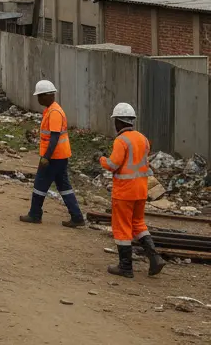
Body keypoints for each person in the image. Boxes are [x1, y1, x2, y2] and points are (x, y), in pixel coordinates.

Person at [100, 102, 164, 278]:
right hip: (141, 189)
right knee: (138, 224)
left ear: (119, 122)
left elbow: (113, 164)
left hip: (124, 192)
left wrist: (101, 159)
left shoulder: (121, 140)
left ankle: (125, 267)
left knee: (122, 228)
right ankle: (155, 257)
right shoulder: (143, 139)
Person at [19, 80, 85, 227]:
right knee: (64, 186)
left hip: (54, 156)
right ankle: (77, 216)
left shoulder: (54, 112)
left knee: (40, 184)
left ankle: (35, 214)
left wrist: (46, 157)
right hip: (60, 156)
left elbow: (54, 137)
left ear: (48, 95)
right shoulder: (52, 109)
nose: (38, 99)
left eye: (40, 96)